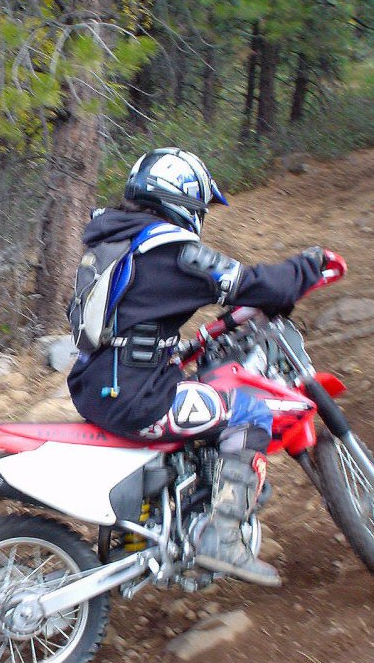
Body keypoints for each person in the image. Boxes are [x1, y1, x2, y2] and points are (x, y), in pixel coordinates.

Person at [67, 148, 330, 587]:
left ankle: (174, 515)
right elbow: (250, 284)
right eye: (198, 208)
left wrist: (175, 349)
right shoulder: (169, 249)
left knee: (204, 405)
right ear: (180, 201)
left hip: (97, 383)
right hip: (138, 398)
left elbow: (129, 324)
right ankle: (222, 540)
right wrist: (307, 267)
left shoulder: (112, 242)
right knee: (249, 411)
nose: (200, 218)